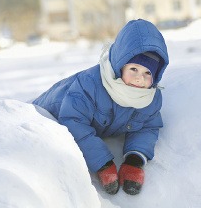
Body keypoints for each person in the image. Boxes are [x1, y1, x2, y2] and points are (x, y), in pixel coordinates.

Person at [32, 19, 169, 195]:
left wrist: (134, 160)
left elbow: (148, 126)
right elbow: (73, 121)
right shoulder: (90, 85)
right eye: (134, 69)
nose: (139, 79)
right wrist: (103, 163)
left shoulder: (150, 98)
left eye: (147, 73)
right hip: (50, 110)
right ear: (120, 66)